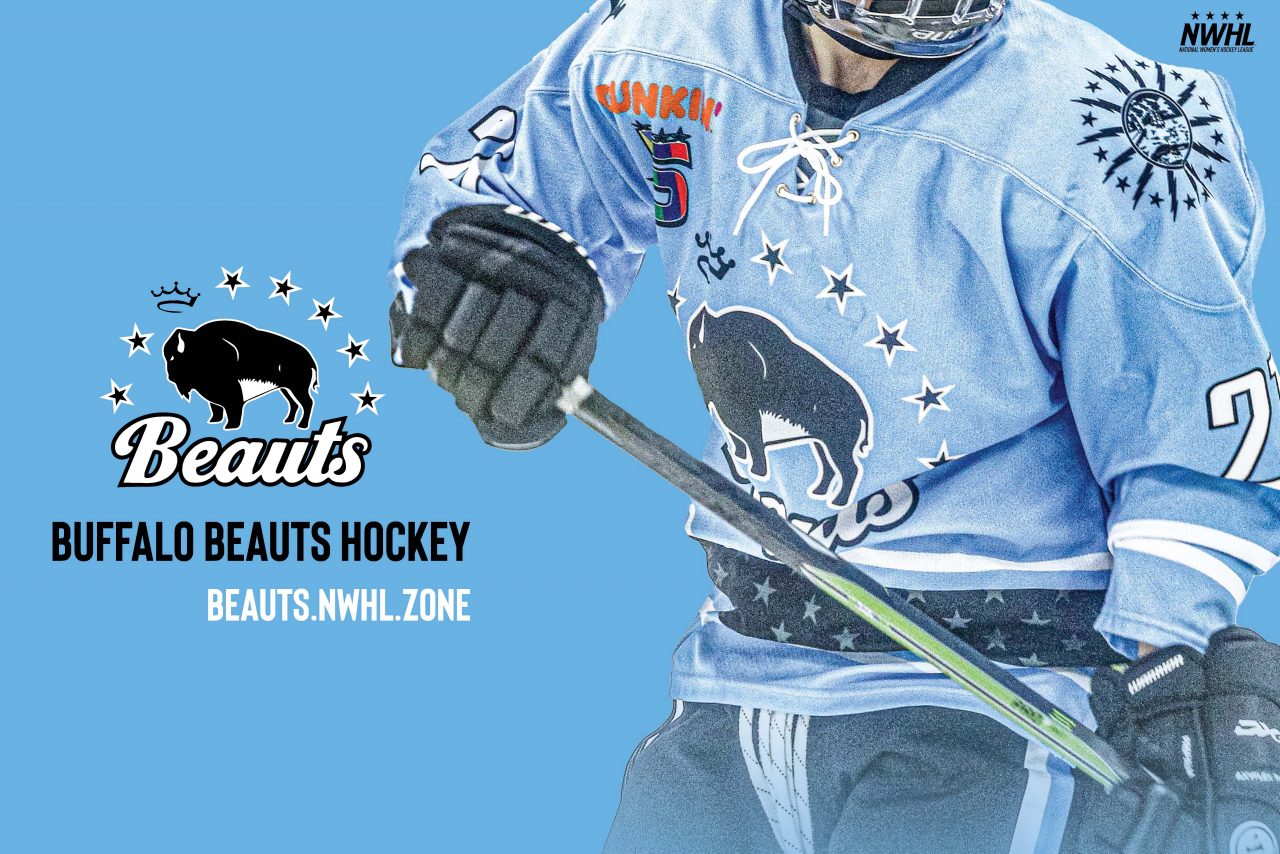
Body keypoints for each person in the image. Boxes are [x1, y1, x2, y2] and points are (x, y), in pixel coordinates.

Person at [388, 1, 1280, 850]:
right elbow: (503, 177)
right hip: (736, 664)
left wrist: (1173, 673)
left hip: (998, 703)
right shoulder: (673, 37)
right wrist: (498, 277)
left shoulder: (1107, 128)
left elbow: (1189, 432)